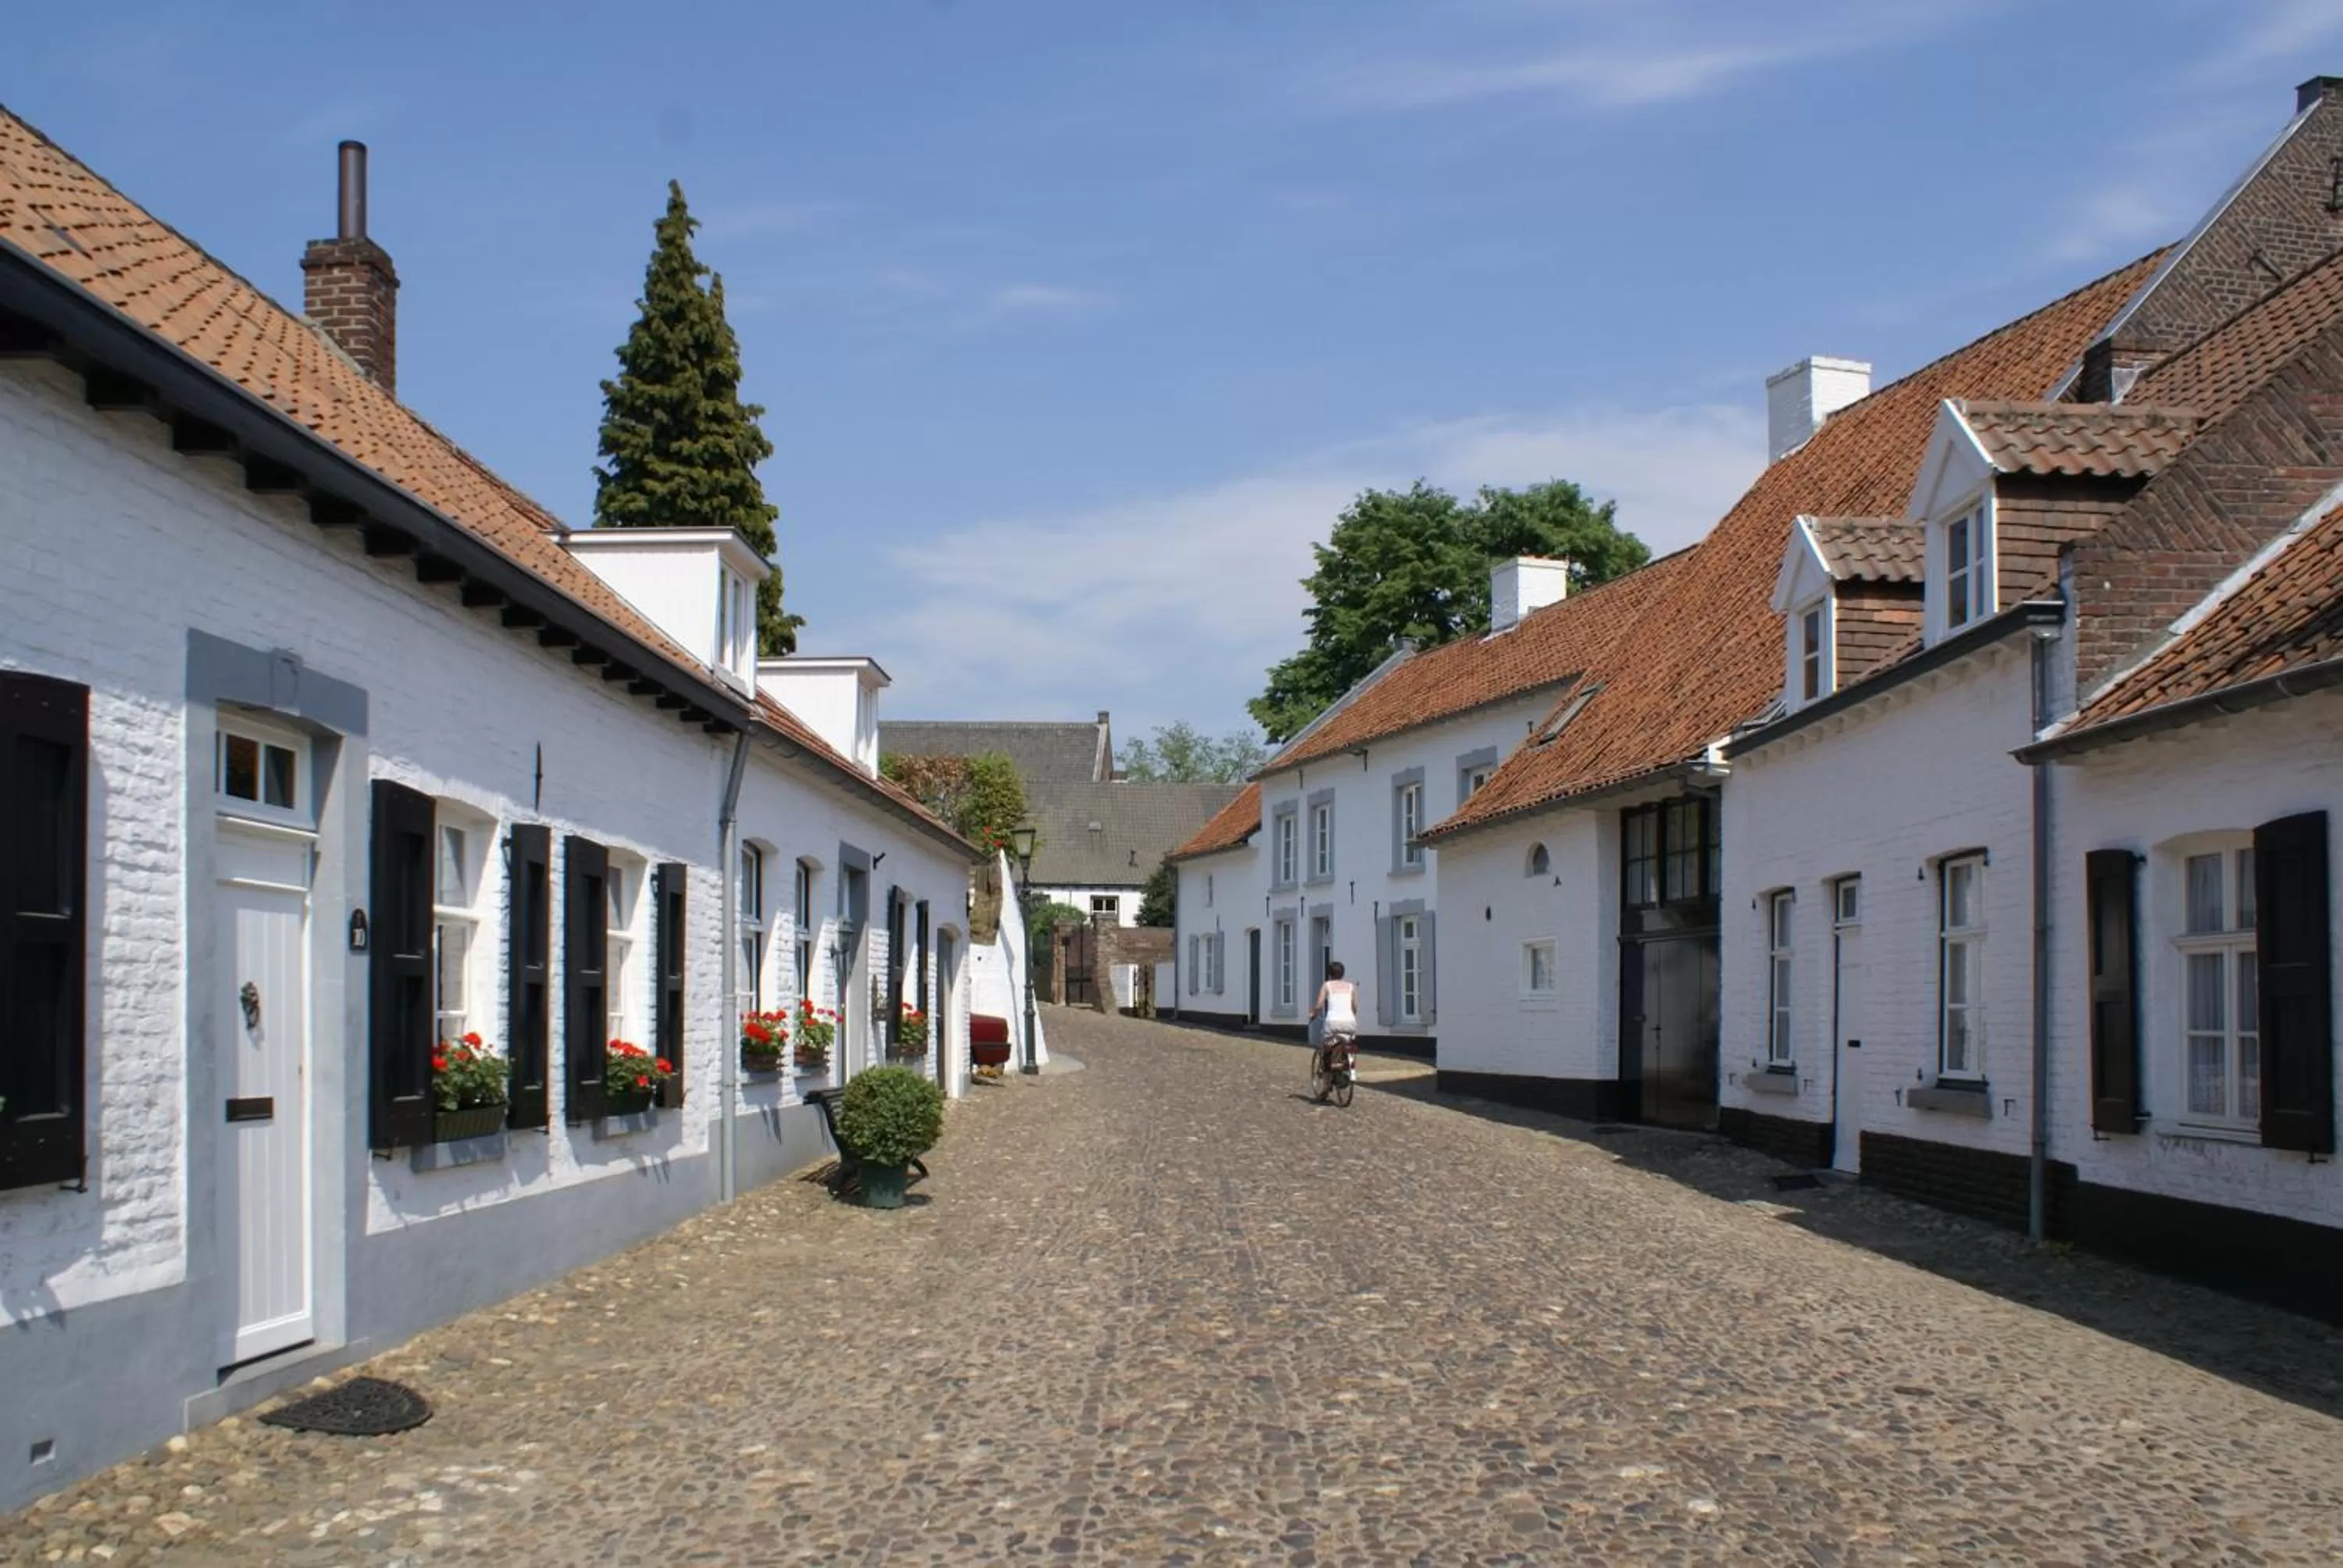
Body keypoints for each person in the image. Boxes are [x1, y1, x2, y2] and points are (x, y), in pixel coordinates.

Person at [1311, 960, 1358, 1089]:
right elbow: (1355, 1007)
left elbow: (1319, 1005)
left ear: (1329, 974)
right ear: (1343, 974)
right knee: (1349, 1045)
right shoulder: (1351, 987)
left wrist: (1313, 1015)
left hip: (1333, 1023)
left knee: (1327, 1050)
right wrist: (1350, 1017)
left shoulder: (1327, 986)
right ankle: (1350, 1068)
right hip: (1349, 1023)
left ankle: (1326, 1085)